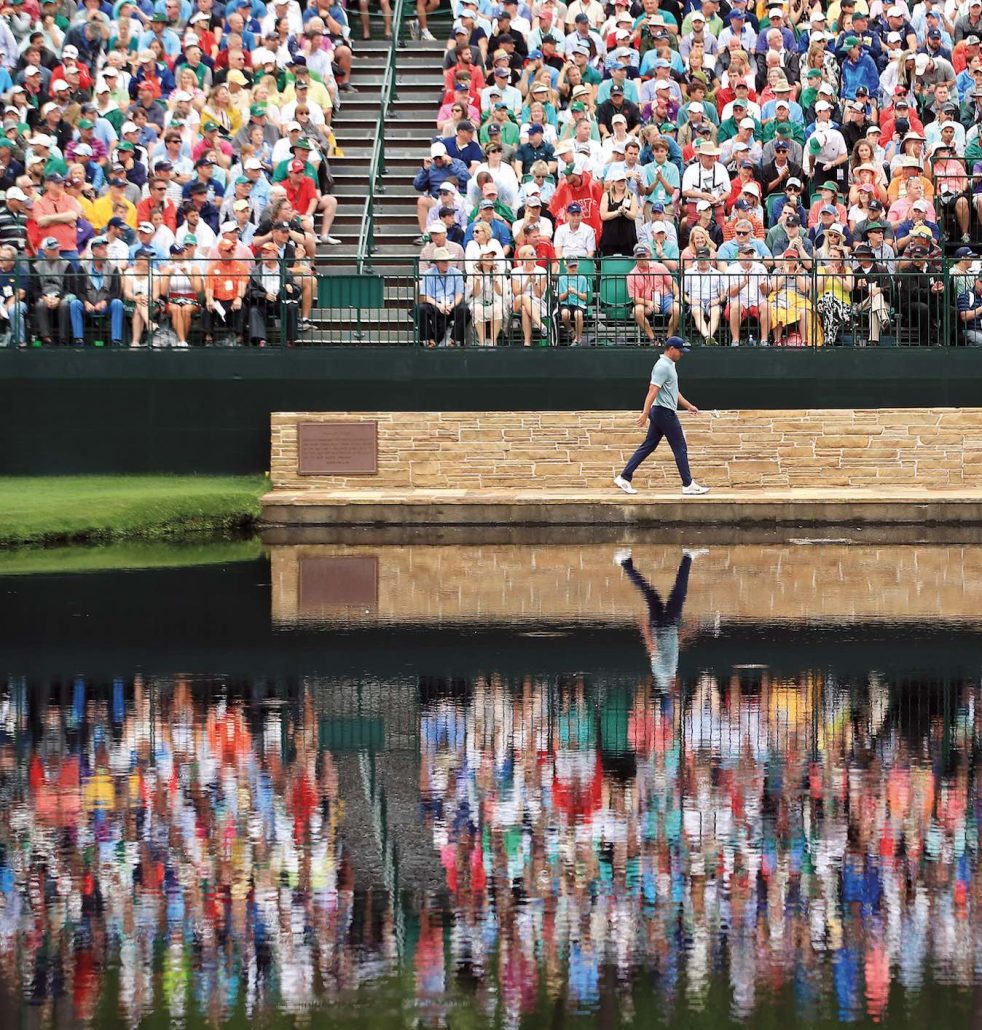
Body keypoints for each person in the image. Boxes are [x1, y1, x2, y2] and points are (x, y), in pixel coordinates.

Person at [613, 336, 710, 496]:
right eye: (680, 351)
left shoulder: (669, 365)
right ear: (671, 349)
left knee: (649, 445)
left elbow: (674, 392)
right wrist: (644, 413)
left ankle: (624, 477)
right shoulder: (662, 367)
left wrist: (688, 406)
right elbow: (652, 390)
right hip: (664, 412)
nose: (682, 354)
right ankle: (688, 484)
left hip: (660, 411)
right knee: (680, 447)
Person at [613, 548, 706, 689]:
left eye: (676, 694)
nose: (679, 689)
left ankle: (688, 556)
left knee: (679, 594)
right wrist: (687, 632)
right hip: (663, 626)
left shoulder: (664, 673)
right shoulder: (668, 675)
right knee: (650, 593)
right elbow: (670, 648)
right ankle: (625, 562)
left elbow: (653, 650)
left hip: (666, 624)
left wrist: (644, 628)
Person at [67, 238, 126, 347]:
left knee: (117, 303)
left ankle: (116, 340)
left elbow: (115, 291)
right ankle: (78, 339)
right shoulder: (83, 268)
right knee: (75, 304)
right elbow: (78, 290)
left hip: (105, 306)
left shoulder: (113, 269)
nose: (105, 251)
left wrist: (105, 302)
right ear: (93, 252)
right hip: (88, 305)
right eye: (101, 248)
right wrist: (85, 302)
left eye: (105, 248)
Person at [246, 242, 301, 348]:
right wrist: (264, 295)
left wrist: (291, 288)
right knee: (254, 310)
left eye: (267, 253)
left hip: (280, 302)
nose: (264, 255)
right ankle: (260, 341)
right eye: (263, 253)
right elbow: (251, 292)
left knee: (291, 306)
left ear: (275, 254)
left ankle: (290, 340)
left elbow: (297, 290)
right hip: (262, 303)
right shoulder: (255, 272)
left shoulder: (285, 271)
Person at [416, 248, 469, 348]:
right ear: (436, 263)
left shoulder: (457, 273)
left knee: (464, 309)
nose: (446, 263)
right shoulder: (428, 274)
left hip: (452, 303)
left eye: (447, 260)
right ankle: (428, 339)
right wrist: (439, 305)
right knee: (420, 308)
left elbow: (459, 294)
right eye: (443, 261)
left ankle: (454, 340)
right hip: (435, 303)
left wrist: (451, 306)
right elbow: (425, 296)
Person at [158, 243, 204, 348]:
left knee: (186, 310)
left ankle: (181, 340)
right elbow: (163, 292)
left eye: (183, 251)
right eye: (179, 252)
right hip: (174, 298)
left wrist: (188, 275)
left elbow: (198, 289)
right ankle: (182, 341)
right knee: (176, 309)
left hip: (191, 298)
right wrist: (168, 276)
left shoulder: (194, 268)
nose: (183, 254)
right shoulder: (167, 269)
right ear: (173, 255)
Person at [203, 239, 249, 345]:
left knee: (242, 306)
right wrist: (209, 299)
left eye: (233, 249)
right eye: (228, 250)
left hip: (233, 299)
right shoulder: (213, 268)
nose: (232, 251)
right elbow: (209, 287)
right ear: (221, 252)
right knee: (207, 306)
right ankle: (208, 335)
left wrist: (239, 298)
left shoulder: (241, 267)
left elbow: (243, 285)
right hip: (218, 300)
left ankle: (239, 336)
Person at [31, 237, 76, 346]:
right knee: (40, 305)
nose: (56, 251)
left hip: (61, 294)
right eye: (52, 249)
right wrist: (44, 297)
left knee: (64, 304)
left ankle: (63, 338)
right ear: (45, 251)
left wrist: (59, 298)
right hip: (44, 295)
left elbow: (70, 287)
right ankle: (46, 337)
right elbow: (34, 289)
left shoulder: (67, 264)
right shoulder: (36, 266)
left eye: (57, 249)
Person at [467, 247, 506, 347]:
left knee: (497, 309)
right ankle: (482, 342)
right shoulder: (473, 273)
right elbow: (475, 294)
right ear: (481, 259)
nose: (490, 259)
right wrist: (478, 280)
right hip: (478, 301)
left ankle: (493, 342)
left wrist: (496, 281)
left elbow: (500, 292)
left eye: (492, 257)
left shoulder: (497, 272)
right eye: (487, 257)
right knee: (478, 309)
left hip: (494, 301)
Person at [122, 249, 160, 349]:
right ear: (138, 260)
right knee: (139, 301)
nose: (149, 259)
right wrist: (136, 298)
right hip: (131, 301)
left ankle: (135, 342)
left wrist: (148, 299)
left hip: (150, 302)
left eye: (149, 257)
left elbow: (156, 293)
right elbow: (127, 292)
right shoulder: (129, 272)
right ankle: (149, 323)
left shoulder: (155, 273)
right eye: (146, 257)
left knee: (139, 308)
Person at [556, 254, 590, 345]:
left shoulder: (582, 279)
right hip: (565, 304)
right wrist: (567, 292)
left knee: (578, 314)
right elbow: (560, 298)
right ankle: (570, 330)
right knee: (564, 314)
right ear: (566, 266)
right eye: (571, 266)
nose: (573, 268)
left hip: (579, 304)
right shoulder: (561, 279)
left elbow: (585, 297)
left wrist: (575, 292)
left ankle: (578, 339)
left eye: (574, 265)